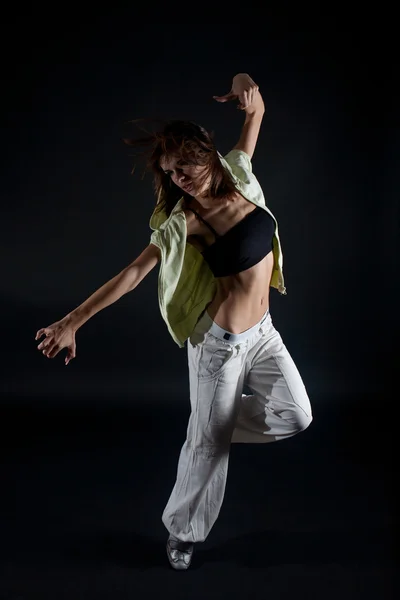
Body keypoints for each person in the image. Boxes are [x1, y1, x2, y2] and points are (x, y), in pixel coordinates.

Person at [35, 72, 313, 571]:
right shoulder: (184, 222)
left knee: (295, 415)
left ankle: (210, 429)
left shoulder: (240, 173)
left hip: (264, 336)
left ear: (208, 156)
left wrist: (242, 82)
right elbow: (134, 273)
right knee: (208, 447)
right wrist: (72, 320)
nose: (180, 178)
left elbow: (257, 109)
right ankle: (182, 534)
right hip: (219, 346)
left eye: (186, 167)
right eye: (172, 172)